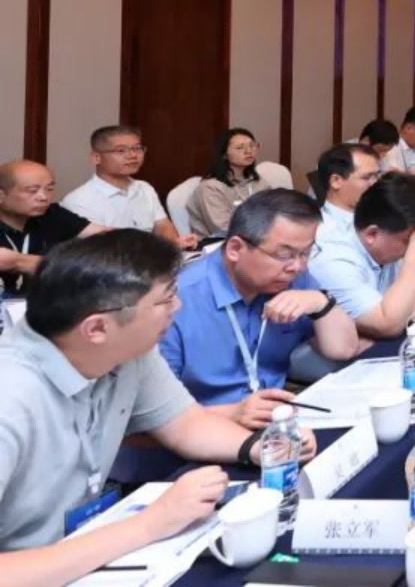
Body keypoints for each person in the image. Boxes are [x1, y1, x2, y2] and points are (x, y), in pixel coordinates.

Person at [0, 231, 314, 572]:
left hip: (84, 548)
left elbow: (185, 423)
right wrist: (151, 523)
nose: (178, 307)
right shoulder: (11, 398)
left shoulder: (127, 349)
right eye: (165, 301)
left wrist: (261, 447)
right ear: (97, 329)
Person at [160, 190, 361, 424]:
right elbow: (152, 416)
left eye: (306, 253)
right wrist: (232, 413)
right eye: (284, 254)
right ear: (235, 249)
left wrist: (320, 303)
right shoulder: (175, 301)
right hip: (206, 425)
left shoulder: (294, 279)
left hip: (281, 413)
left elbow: (344, 350)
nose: (298, 266)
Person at [310, 172, 415, 338]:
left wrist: (402, 315)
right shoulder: (333, 261)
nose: (411, 248)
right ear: (372, 234)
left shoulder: (393, 236)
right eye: (409, 242)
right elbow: (387, 325)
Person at [62, 126, 189, 248]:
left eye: (137, 148)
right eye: (121, 150)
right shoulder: (79, 201)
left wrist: (173, 246)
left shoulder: (144, 188)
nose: (133, 155)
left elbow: (163, 226)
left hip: (152, 257)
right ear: (96, 158)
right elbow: (98, 250)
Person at [1, 160, 106, 294]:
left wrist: (20, 262)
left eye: (49, 189)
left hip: (43, 303)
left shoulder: (52, 214)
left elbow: (108, 237)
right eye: (33, 191)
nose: (44, 197)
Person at [186, 128, 264, 240]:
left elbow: (273, 212)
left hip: (257, 239)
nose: (248, 151)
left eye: (252, 146)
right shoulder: (210, 187)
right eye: (240, 147)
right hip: (219, 243)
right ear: (224, 154)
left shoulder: (259, 181)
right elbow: (222, 229)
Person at [315, 143, 381, 233]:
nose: (376, 183)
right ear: (336, 181)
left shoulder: (381, 216)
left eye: (377, 176)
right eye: (366, 177)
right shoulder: (321, 230)